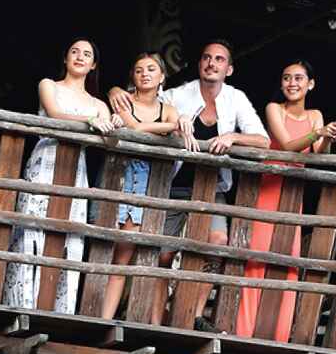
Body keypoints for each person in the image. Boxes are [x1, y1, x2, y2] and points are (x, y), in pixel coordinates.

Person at [109, 40, 270, 325]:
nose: (212, 63)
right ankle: (157, 322)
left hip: (212, 188)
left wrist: (233, 137)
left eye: (219, 59)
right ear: (200, 65)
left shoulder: (236, 98)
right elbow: (146, 96)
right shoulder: (180, 95)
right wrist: (116, 91)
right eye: (206, 58)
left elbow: (263, 141)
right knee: (163, 253)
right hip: (174, 184)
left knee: (218, 242)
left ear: (228, 69)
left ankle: (193, 314)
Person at [4, 38, 119, 314]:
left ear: (93, 66)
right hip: (45, 161)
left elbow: (111, 138)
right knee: (32, 230)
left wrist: (116, 122)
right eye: (74, 52)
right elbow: (55, 115)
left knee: (69, 236)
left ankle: (59, 312)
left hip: (75, 171)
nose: (80, 57)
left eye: (87, 54)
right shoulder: (49, 85)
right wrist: (89, 122)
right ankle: (21, 307)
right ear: (66, 59)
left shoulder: (99, 104)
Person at [238, 60, 336, 341]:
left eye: (299, 78)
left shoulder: (316, 114)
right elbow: (286, 145)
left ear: (311, 84)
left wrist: (328, 137)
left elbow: (318, 155)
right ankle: (245, 330)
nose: (292, 83)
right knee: (257, 258)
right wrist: (317, 133)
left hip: (293, 191)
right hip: (269, 187)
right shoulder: (274, 109)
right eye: (286, 78)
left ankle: (278, 335)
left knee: (287, 262)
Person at [100, 52, 180, 321]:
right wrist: (169, 127)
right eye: (138, 70)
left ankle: (127, 318)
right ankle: (102, 317)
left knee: (136, 252)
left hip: (150, 182)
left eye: (151, 69)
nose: (144, 74)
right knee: (112, 250)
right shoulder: (124, 100)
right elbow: (133, 129)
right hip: (121, 176)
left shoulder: (167, 108)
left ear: (162, 77)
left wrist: (172, 124)